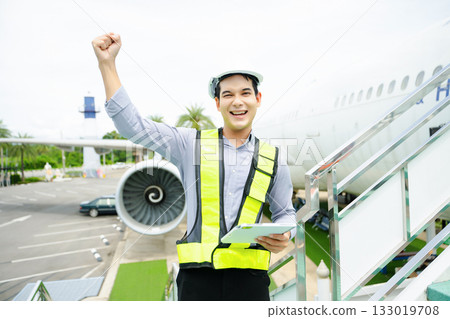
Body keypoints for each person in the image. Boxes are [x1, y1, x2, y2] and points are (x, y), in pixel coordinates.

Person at [92, 32, 297, 301]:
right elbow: (133, 126)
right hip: (197, 282)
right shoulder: (190, 144)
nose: (237, 101)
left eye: (245, 93)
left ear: (257, 99)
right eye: (228, 95)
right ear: (218, 103)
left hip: (251, 282)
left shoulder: (272, 159)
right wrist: (107, 64)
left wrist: (285, 232)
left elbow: (286, 213)